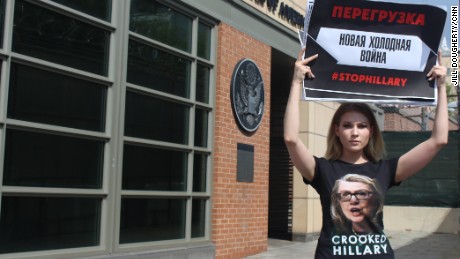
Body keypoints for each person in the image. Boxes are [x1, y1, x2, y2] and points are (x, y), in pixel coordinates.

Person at [283, 48, 448, 258]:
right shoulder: (322, 170)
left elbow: (439, 140)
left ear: (371, 131)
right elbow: (290, 139)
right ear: (337, 130)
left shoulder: (385, 170)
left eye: (361, 126)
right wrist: (296, 82)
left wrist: (442, 87)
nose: (354, 132)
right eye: (347, 126)